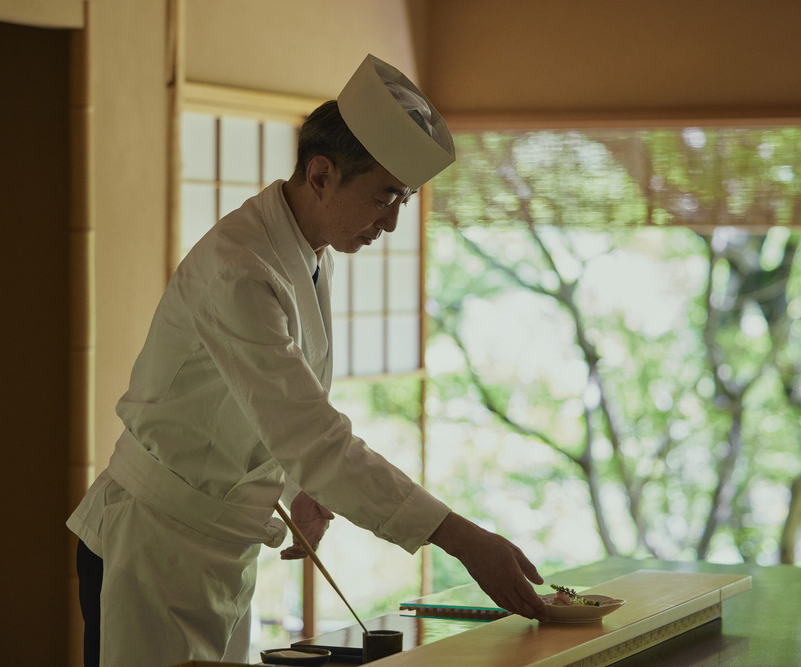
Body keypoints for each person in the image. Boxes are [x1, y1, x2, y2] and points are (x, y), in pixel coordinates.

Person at [67, 54, 547, 667]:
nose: (392, 223)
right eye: (385, 196)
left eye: (404, 200)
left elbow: (274, 405)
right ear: (321, 174)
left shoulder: (309, 252)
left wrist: (299, 485)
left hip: (219, 547)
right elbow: (312, 434)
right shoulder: (240, 266)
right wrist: (462, 538)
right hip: (152, 544)